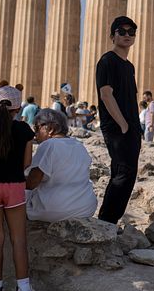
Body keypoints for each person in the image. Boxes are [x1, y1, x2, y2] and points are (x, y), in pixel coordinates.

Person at [0, 85, 49, 291]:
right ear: (18, 109)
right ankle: (23, 290)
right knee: (18, 239)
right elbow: (27, 162)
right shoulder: (25, 130)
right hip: (15, 184)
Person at [96, 16, 142, 225]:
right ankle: (106, 221)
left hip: (131, 126)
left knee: (126, 174)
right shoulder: (107, 60)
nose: (126, 35)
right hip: (117, 126)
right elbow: (106, 94)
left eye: (130, 31)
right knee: (123, 173)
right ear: (112, 35)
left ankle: (109, 221)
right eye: (121, 31)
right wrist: (122, 124)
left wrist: (133, 126)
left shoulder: (129, 66)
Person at [25, 108, 97, 222]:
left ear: (50, 128)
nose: (35, 134)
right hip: (86, 208)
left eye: (37, 128)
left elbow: (31, 183)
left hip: (56, 210)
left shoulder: (48, 145)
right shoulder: (79, 145)